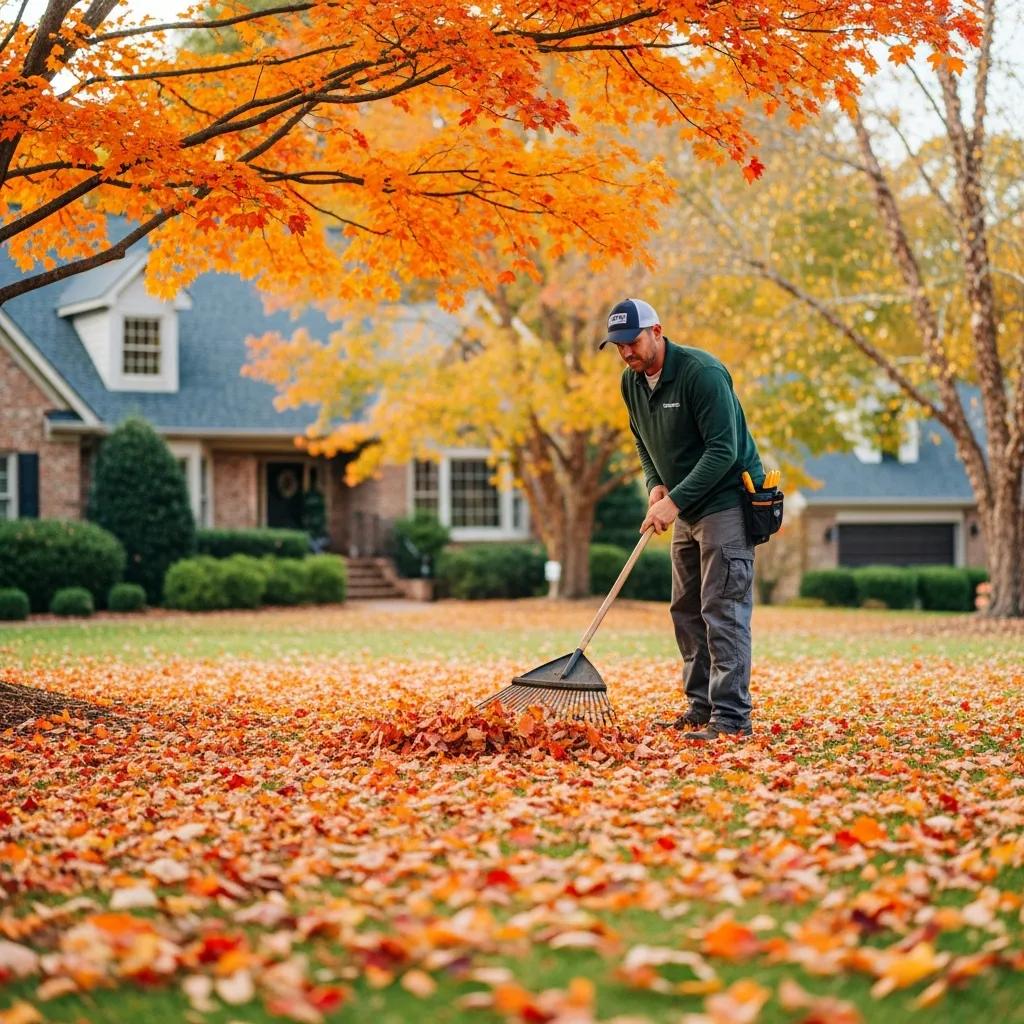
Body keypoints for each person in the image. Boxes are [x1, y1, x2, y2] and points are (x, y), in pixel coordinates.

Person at [601, 298, 765, 739]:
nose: (626, 353)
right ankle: (701, 706)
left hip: (726, 504)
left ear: (657, 331)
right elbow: (641, 439)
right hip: (683, 505)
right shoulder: (631, 382)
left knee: (721, 609)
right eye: (618, 346)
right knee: (686, 610)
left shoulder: (702, 374)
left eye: (632, 342)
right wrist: (655, 483)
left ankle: (731, 719)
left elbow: (722, 452)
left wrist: (673, 502)